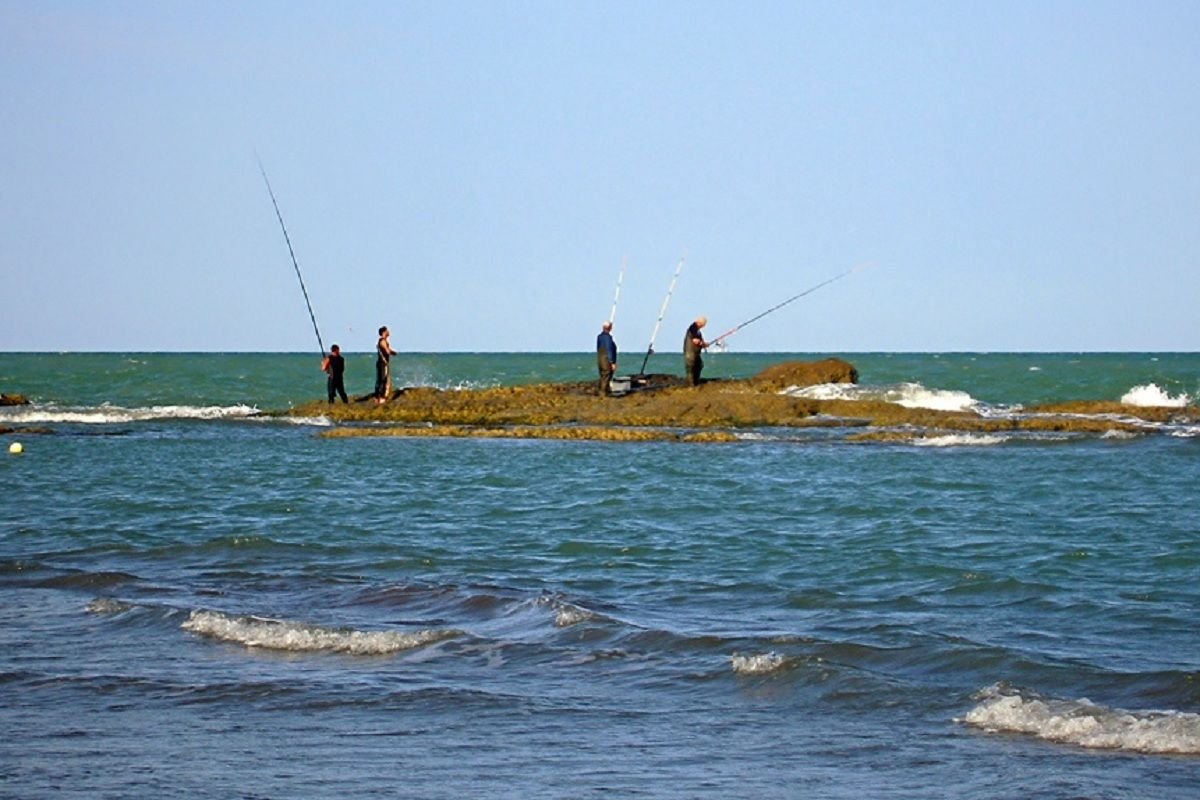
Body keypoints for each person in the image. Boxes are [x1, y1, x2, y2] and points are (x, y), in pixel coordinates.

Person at [683, 316, 709, 386]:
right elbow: (695, 341)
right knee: (691, 368)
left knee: (699, 365)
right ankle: (691, 385)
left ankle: (696, 382)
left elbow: (699, 341)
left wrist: (704, 344)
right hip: (690, 353)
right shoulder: (693, 328)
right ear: (699, 323)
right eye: (703, 324)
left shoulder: (698, 331)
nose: (703, 326)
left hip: (696, 353)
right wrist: (702, 343)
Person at [374, 326, 397, 403]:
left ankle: (380, 397)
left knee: (383, 379)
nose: (389, 332)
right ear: (384, 332)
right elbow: (387, 351)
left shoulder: (384, 341)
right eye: (387, 331)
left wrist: (393, 352)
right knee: (383, 380)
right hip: (382, 363)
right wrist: (391, 352)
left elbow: (388, 350)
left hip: (383, 363)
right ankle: (380, 398)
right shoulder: (382, 341)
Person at [596, 321, 618, 396]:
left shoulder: (599, 337)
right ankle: (603, 393)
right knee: (606, 375)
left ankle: (604, 391)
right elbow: (609, 350)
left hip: (600, 359)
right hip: (606, 360)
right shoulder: (608, 338)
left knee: (603, 375)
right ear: (610, 328)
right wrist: (612, 362)